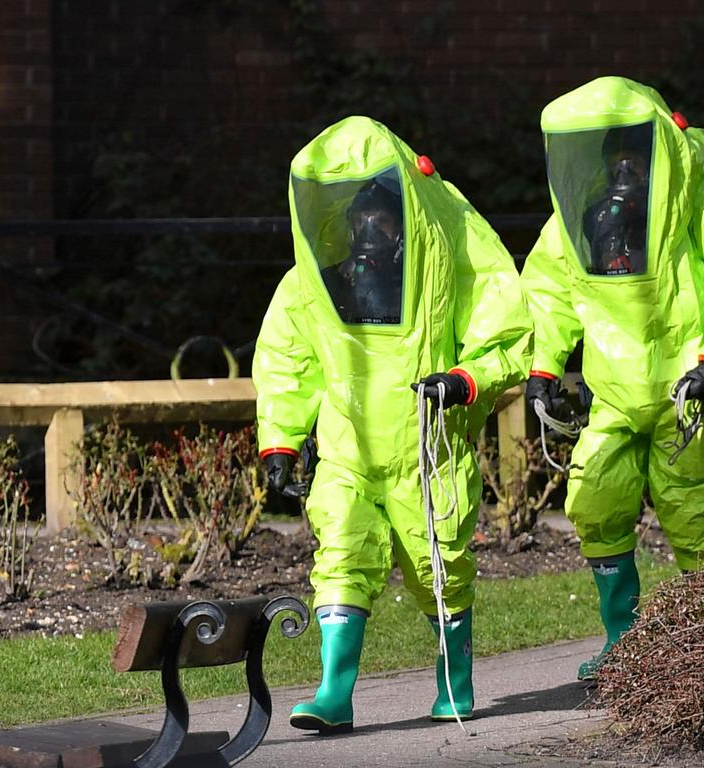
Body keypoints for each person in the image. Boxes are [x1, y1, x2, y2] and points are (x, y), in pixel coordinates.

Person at [253, 115, 533, 733]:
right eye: (358, 216)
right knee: (341, 553)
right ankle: (333, 692)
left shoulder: (451, 253)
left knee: (443, 567)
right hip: (348, 450)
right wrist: (280, 439)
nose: (367, 228)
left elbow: (509, 333)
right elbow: (286, 361)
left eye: (381, 216)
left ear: (406, 214)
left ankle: (454, 682)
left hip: (428, 449)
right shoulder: (316, 283)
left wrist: (464, 381)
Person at [521, 76, 704, 681]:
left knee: (692, 516)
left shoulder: (703, 187)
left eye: (635, 163)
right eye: (615, 163)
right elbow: (552, 289)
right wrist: (543, 366)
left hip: (689, 390)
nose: (623, 176)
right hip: (613, 390)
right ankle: (625, 645)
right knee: (595, 499)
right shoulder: (585, 213)